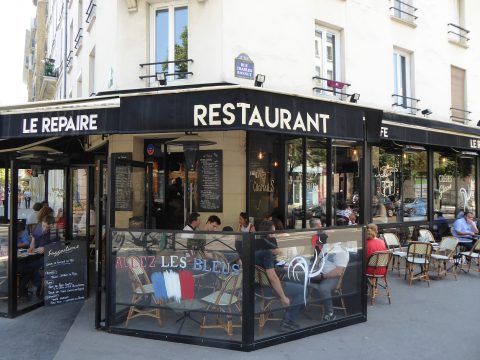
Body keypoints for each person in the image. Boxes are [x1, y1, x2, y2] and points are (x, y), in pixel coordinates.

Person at [254, 220, 304, 332]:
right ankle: (288, 321)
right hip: (267, 288)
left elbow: (266, 266)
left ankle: (290, 314)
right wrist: (283, 297)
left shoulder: (256, 245)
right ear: (269, 234)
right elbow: (273, 277)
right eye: (273, 232)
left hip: (257, 287)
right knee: (301, 289)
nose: (275, 234)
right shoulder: (266, 251)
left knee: (293, 282)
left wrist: (282, 266)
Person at [310, 234, 350, 321]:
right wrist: (313, 269)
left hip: (332, 277)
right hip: (320, 273)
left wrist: (322, 276)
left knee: (323, 288)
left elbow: (338, 271)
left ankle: (330, 313)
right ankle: (302, 305)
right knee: (301, 277)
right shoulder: (327, 245)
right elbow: (318, 259)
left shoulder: (342, 251)